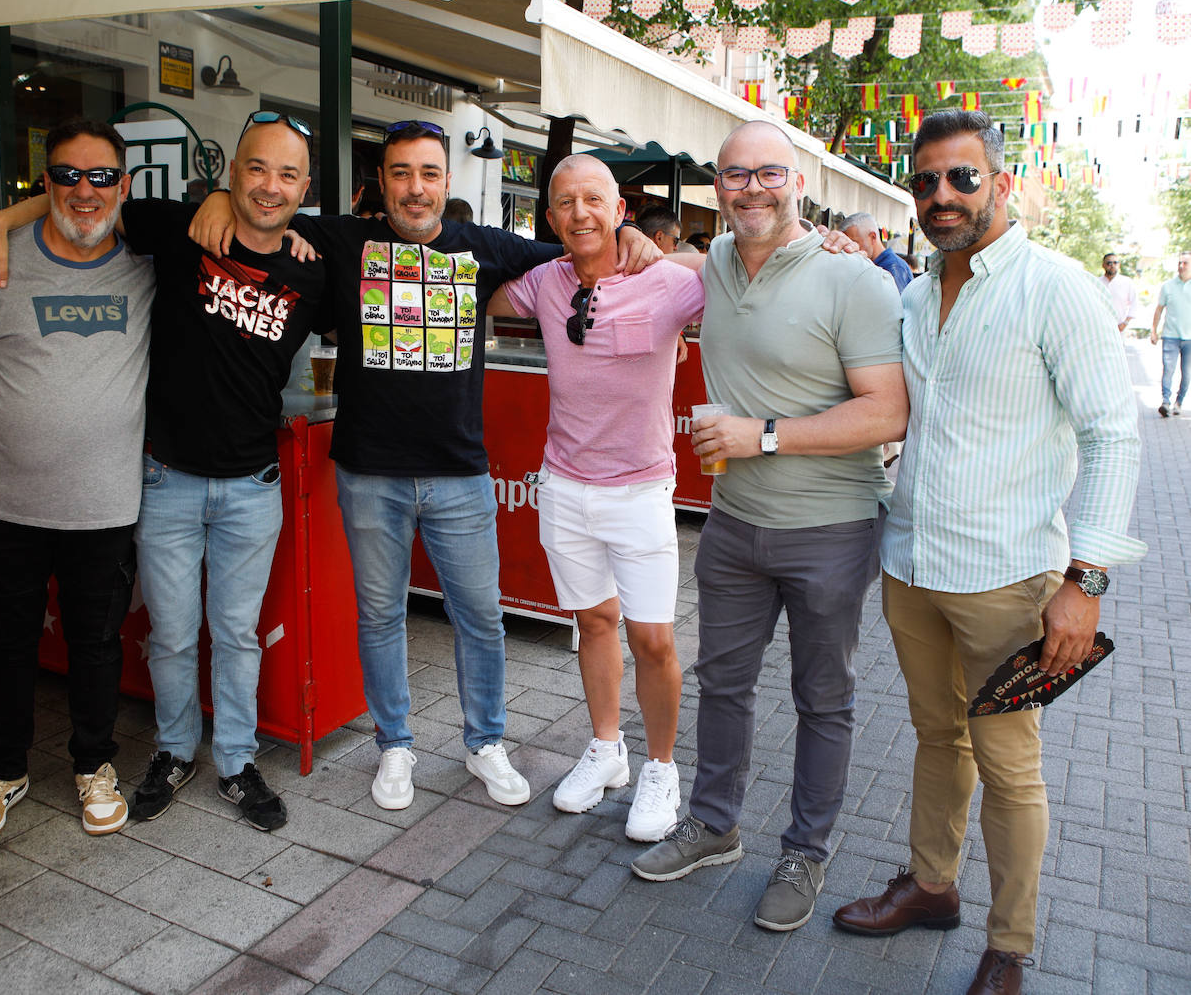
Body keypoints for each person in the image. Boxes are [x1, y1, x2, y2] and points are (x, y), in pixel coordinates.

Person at [190, 119, 661, 812]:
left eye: (430, 173)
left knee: (480, 617)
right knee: (379, 616)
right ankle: (396, 746)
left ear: (449, 181)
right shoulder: (340, 241)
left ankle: (485, 744)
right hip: (368, 472)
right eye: (402, 173)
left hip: (460, 474)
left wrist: (628, 236)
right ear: (380, 183)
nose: (416, 188)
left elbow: (575, 247)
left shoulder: (483, 248)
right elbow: (267, 205)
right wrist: (216, 200)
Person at [831, 110, 1144, 995]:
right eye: (925, 181)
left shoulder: (1055, 287)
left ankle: (1011, 945)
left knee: (1009, 766)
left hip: (1010, 580)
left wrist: (1085, 581)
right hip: (913, 566)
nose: (941, 195)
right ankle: (932, 886)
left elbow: (1114, 437)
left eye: (961, 178)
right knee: (938, 736)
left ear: (1000, 184)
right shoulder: (914, 295)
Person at [0, 112, 330, 832]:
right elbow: (86, 194)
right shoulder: (179, 229)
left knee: (238, 633)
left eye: (287, 174)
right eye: (255, 168)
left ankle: (236, 762)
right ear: (231, 174)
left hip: (253, 485)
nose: (270, 186)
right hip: (165, 480)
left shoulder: (317, 264)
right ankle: (172, 752)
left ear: (305, 188)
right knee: (172, 634)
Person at [630, 120, 907, 936]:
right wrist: (629, 238)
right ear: (717, 185)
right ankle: (714, 824)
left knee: (822, 699)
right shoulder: (714, 262)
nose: (751, 187)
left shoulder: (853, 281)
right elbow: (673, 261)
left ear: (799, 182)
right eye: (734, 174)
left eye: (768, 173)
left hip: (831, 527)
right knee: (723, 684)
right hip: (733, 524)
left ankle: (805, 852)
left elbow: (888, 411)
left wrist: (767, 433)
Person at [0, 118, 155, 844]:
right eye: (67, 175)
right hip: (3, 503)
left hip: (104, 504)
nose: (84, 191)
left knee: (96, 645)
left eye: (101, 177)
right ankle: (3, 768)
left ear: (125, 186)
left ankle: (93, 763)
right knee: (6, 642)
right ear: (45, 184)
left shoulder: (148, 267)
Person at [486, 155, 704, 841]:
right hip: (564, 487)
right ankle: (607, 750)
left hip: (641, 491)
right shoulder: (544, 283)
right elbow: (486, 293)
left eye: (594, 200)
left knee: (655, 639)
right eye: (565, 203)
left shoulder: (665, 281)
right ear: (549, 219)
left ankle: (661, 768)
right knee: (594, 624)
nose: (580, 212)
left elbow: (741, 276)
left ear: (619, 210)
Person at [1152, 252, 1191, 417]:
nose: (1181, 266)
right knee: (1168, 369)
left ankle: (1179, 402)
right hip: (1170, 336)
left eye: (1185, 263)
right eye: (1179, 263)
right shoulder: (1168, 286)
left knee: (1187, 372)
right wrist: (1154, 330)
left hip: (1190, 338)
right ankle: (1165, 402)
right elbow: (1159, 309)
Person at [839, 211, 913, 292]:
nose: (849, 248)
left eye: (854, 242)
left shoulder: (894, 268)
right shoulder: (869, 264)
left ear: (873, 237)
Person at [1099, 252, 1136, 333]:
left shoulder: (1127, 282)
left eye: (1115, 262)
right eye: (1109, 263)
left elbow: (1134, 304)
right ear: (1103, 265)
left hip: (1120, 328)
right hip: (1100, 327)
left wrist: (1125, 323)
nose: (1112, 265)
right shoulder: (1097, 283)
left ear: (1119, 265)